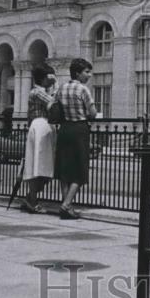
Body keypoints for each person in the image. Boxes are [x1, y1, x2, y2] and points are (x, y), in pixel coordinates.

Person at [53, 57, 97, 219]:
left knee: (65, 169)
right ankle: (66, 205)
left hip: (64, 129)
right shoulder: (83, 90)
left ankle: (66, 204)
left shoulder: (62, 88)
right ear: (77, 73)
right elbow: (92, 113)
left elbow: (55, 107)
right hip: (79, 129)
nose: (89, 75)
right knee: (79, 169)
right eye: (86, 72)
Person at [20, 65, 57, 213]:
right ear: (44, 77)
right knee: (38, 164)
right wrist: (57, 82)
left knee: (40, 165)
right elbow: (54, 104)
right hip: (41, 126)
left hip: (38, 126)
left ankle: (31, 198)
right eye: (50, 76)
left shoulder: (36, 92)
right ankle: (33, 201)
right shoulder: (38, 92)